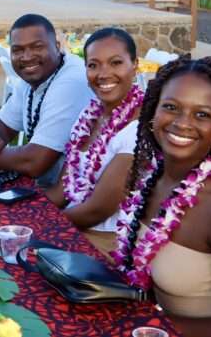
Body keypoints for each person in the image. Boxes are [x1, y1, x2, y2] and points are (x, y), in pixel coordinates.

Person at [111, 56, 211, 337]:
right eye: (171, 107)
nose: (183, 123)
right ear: (153, 113)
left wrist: (154, 327)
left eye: (202, 114)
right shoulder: (151, 175)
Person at [0, 14, 94, 188]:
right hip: (50, 189)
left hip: (80, 199)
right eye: (18, 50)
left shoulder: (71, 81)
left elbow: (34, 162)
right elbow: (0, 124)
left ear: (57, 46)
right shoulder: (31, 78)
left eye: (37, 47)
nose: (27, 57)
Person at [46, 27, 142, 257]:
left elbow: (97, 210)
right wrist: (30, 208)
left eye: (116, 62)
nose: (103, 73)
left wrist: (43, 222)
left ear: (135, 65)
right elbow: (63, 188)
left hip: (108, 243)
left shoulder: (140, 128)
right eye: (93, 65)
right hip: (72, 225)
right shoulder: (88, 116)